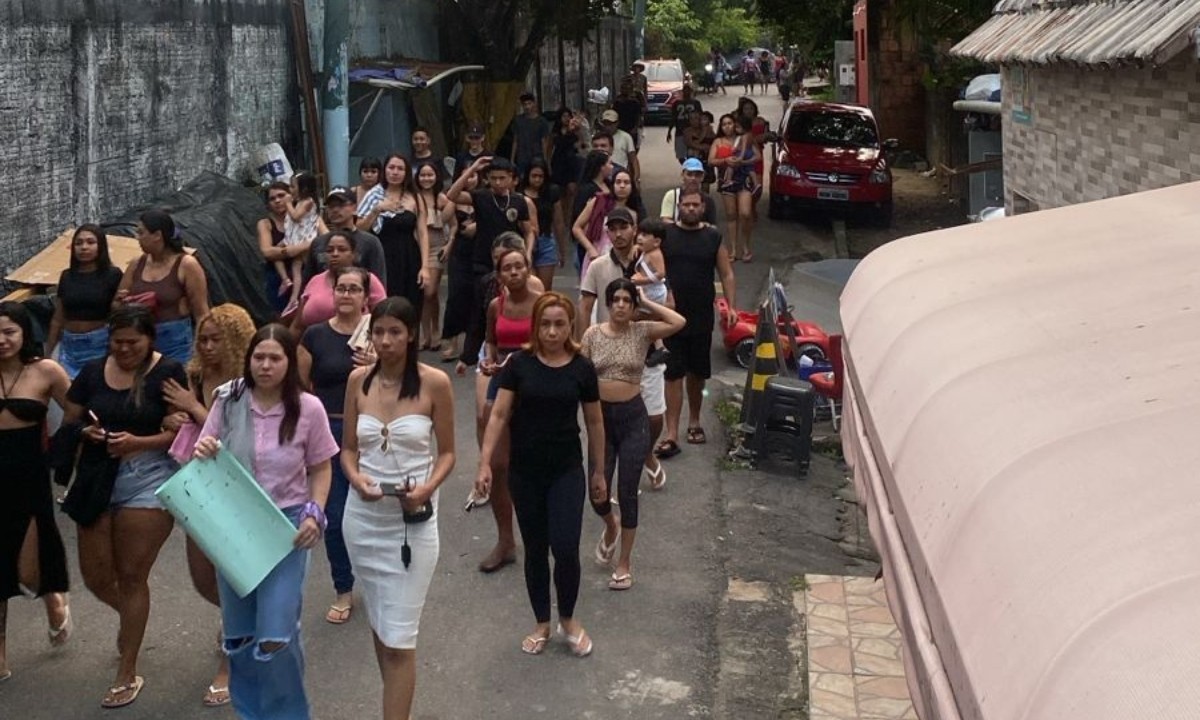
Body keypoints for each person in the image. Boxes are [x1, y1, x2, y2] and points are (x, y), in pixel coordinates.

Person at [192, 324, 337, 720]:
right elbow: (202, 454)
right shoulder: (229, 399)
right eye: (259, 357)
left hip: (285, 529)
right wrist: (204, 448)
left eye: (275, 358)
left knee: (275, 636)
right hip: (234, 526)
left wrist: (316, 511)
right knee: (238, 636)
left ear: (289, 363)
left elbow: (321, 468)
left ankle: (289, 715)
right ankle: (252, 713)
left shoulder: (309, 408)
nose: (266, 366)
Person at [63, 304, 188, 708]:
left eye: (132, 343)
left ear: (149, 339)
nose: (124, 350)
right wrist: (88, 432)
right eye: (117, 343)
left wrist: (140, 442)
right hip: (99, 477)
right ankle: (131, 619)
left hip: (148, 477)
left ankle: (127, 669)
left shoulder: (167, 372)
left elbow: (181, 431)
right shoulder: (91, 373)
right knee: (97, 576)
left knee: (132, 574)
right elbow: (69, 422)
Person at [340, 297, 455, 720]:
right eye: (379, 332)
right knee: (380, 623)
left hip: (412, 525)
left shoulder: (434, 383)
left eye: (395, 332)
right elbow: (348, 450)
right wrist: (356, 479)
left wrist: (425, 488)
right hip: (363, 518)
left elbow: (447, 455)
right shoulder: (358, 381)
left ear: (410, 335)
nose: (385, 341)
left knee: (399, 638)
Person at [475, 292, 605, 657]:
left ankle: (568, 619)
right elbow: (498, 415)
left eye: (559, 324)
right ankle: (542, 622)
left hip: (566, 469)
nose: (551, 331)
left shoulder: (581, 367)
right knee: (535, 548)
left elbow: (594, 421)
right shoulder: (519, 364)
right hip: (525, 471)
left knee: (565, 547)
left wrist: (598, 470)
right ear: (535, 326)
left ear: (570, 327)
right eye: (545, 324)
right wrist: (485, 463)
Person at [161, 303, 256, 708]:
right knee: (202, 575)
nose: (209, 345)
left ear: (236, 340)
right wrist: (174, 419)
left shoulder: (248, 381)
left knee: (231, 571)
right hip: (197, 480)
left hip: (236, 481)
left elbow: (232, 430)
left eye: (218, 339)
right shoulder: (194, 375)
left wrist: (194, 408)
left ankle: (231, 657)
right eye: (203, 338)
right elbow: (173, 420)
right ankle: (249, 619)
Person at [580, 279, 684, 590]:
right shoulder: (592, 335)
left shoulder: (642, 332)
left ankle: (624, 561)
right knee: (597, 494)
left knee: (627, 491)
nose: (622, 305)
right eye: (617, 300)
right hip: (602, 422)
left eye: (627, 300)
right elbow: (580, 374)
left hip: (632, 418)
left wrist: (646, 302)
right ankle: (610, 526)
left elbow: (678, 322)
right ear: (608, 304)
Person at [298, 267, 377, 628]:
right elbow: (300, 386)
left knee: (375, 511)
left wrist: (376, 365)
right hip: (328, 428)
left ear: (365, 296)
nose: (346, 295)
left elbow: (401, 379)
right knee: (334, 515)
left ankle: (378, 583)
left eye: (354, 289)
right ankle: (343, 588)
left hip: (372, 430)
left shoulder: (379, 333)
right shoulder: (314, 335)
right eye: (341, 289)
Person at [0, 302, 72, 682]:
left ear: (25, 333)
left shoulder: (45, 371)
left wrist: (63, 455)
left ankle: (54, 601)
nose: (2, 340)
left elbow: (79, 412)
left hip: (30, 482)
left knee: (29, 571)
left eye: (9, 332)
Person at [578, 209, 669, 495]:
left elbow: (668, 299)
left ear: (634, 230)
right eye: (612, 229)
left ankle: (644, 452)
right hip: (608, 351)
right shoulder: (598, 266)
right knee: (606, 420)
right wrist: (581, 350)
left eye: (624, 228)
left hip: (645, 345)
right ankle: (609, 478)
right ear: (607, 233)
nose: (618, 234)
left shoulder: (649, 260)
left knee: (655, 416)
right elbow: (583, 307)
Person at [655, 191, 736, 460]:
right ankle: (671, 433)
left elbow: (726, 272)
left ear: (703, 208)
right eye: (686, 204)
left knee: (697, 373)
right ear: (679, 207)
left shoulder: (713, 237)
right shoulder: (666, 235)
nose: (690, 208)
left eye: (695, 205)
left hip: (702, 315)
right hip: (671, 317)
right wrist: (664, 291)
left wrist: (731, 307)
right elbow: (652, 268)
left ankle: (694, 421)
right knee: (672, 373)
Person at [115, 209, 211, 362]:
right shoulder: (136, 264)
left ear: (157, 236)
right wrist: (123, 302)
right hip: (140, 346)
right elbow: (117, 305)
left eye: (141, 233)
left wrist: (204, 348)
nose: (137, 238)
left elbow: (201, 313)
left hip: (176, 346)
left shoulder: (186, 265)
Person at [356, 153, 431, 323]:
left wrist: (425, 266)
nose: (395, 172)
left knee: (411, 305)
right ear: (385, 170)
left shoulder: (415, 197)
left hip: (409, 256)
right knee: (386, 303)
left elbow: (422, 232)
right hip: (383, 255)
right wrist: (377, 210)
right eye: (391, 168)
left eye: (400, 168)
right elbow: (359, 228)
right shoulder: (375, 194)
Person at [46, 225, 124, 378]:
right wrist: (47, 353)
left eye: (90, 242)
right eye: (79, 243)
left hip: (100, 344)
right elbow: (58, 318)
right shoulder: (67, 276)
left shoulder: (112, 275)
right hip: (69, 347)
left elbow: (119, 315)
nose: (84, 247)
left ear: (100, 246)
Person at [294, 231, 387, 333]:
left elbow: (383, 320)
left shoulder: (368, 279)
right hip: (313, 345)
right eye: (329, 250)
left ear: (354, 255)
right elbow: (298, 326)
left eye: (342, 250)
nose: (335, 254)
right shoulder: (315, 280)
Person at [303, 186, 388, 288]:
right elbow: (307, 283)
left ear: (354, 208)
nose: (335, 210)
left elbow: (378, 283)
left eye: (341, 205)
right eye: (331, 206)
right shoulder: (318, 243)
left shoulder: (370, 242)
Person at [438, 167, 478, 363]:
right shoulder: (454, 199)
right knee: (455, 295)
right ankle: (451, 341)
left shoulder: (483, 198)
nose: (470, 180)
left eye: (474, 176)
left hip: (480, 250)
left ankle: (472, 343)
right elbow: (445, 220)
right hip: (460, 251)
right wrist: (451, 203)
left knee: (476, 296)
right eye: (467, 177)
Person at [575, 166, 642, 279]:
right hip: (596, 255)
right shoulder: (599, 202)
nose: (622, 186)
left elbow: (638, 236)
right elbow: (577, 227)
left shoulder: (634, 213)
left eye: (626, 183)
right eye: (618, 182)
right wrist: (590, 248)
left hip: (622, 259)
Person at [710, 113, 761, 261]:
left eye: (730, 123)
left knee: (745, 213)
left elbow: (758, 156)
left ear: (736, 124)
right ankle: (733, 248)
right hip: (726, 181)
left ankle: (746, 245)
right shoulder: (718, 141)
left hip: (744, 179)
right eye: (724, 124)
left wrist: (743, 162)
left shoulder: (746, 138)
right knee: (731, 215)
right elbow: (711, 160)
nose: (727, 127)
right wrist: (725, 160)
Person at [276, 171, 324, 315]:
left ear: (303, 188)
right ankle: (285, 280)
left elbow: (296, 217)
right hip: (295, 236)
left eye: (292, 187)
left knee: (297, 267)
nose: (290, 190)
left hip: (303, 237)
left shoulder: (308, 202)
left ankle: (294, 298)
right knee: (276, 252)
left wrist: (288, 204)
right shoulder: (301, 201)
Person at [416, 162, 452, 352]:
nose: (426, 179)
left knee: (431, 291)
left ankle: (436, 328)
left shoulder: (442, 198)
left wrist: (449, 245)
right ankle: (426, 334)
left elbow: (454, 225)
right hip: (417, 247)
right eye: (423, 175)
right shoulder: (414, 198)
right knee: (422, 293)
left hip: (436, 248)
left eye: (430, 175)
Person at [521, 158, 565, 290]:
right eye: (534, 176)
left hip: (546, 240)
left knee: (544, 289)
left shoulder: (552, 192)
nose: (537, 180)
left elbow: (558, 221)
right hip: (524, 242)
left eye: (540, 176)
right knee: (528, 286)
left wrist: (562, 250)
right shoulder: (519, 193)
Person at [570, 150, 614, 274]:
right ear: (601, 167)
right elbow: (579, 220)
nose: (612, 167)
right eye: (609, 164)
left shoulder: (610, 186)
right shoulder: (587, 190)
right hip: (591, 242)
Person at [257, 182, 295, 315]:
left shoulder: (300, 218)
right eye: (272, 198)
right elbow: (267, 251)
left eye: (281, 195)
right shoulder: (265, 223)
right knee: (281, 317)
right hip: (276, 278)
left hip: (301, 272)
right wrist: (292, 250)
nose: (277, 201)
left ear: (291, 196)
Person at [549, 108, 586, 225]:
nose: (566, 119)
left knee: (572, 191)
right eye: (563, 116)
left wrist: (577, 131)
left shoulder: (575, 131)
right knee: (560, 194)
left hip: (572, 164)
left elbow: (582, 145)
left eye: (568, 116)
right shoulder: (555, 132)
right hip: (559, 164)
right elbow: (549, 149)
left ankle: (570, 218)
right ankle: (562, 219)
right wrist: (548, 166)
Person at [660, 158, 720, 225]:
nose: (693, 178)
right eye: (689, 174)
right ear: (682, 175)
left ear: (702, 177)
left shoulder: (708, 200)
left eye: (697, 175)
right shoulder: (672, 195)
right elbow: (665, 220)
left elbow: (712, 226)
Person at [511, 92, 551, 175]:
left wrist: (545, 160)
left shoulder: (542, 122)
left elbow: (544, 142)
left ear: (534, 104)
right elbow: (515, 140)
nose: (527, 107)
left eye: (529, 103)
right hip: (522, 158)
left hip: (537, 157)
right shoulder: (518, 121)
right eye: (525, 104)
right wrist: (512, 159)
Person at [598, 110, 639, 182]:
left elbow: (633, 158)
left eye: (611, 124)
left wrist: (636, 177)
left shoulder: (625, 137)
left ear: (617, 123)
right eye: (606, 124)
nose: (608, 127)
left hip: (621, 176)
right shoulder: (598, 138)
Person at [665, 85, 703, 165]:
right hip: (680, 131)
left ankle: (690, 167)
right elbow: (673, 118)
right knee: (681, 155)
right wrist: (669, 131)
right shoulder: (679, 103)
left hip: (691, 132)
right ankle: (689, 166)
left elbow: (700, 117)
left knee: (691, 153)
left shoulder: (695, 103)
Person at [611, 78, 644, 150]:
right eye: (623, 88)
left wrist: (635, 128)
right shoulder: (617, 102)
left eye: (627, 88)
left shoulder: (635, 102)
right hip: (621, 127)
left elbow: (638, 116)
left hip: (632, 128)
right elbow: (613, 115)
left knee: (634, 147)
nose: (624, 90)